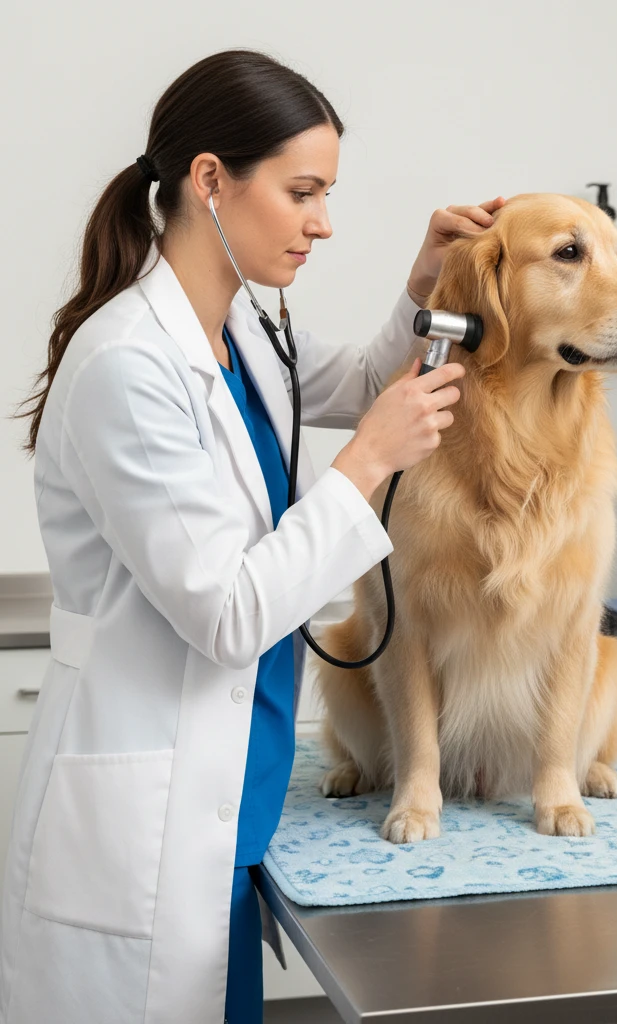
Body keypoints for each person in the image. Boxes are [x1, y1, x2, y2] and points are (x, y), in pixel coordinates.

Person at [2, 48, 504, 1024]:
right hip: (146, 832)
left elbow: (363, 378)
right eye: (302, 191)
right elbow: (226, 613)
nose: (323, 221)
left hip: (236, 803)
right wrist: (366, 462)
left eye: (328, 193)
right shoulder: (128, 367)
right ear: (209, 180)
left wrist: (424, 281)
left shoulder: (246, 335)